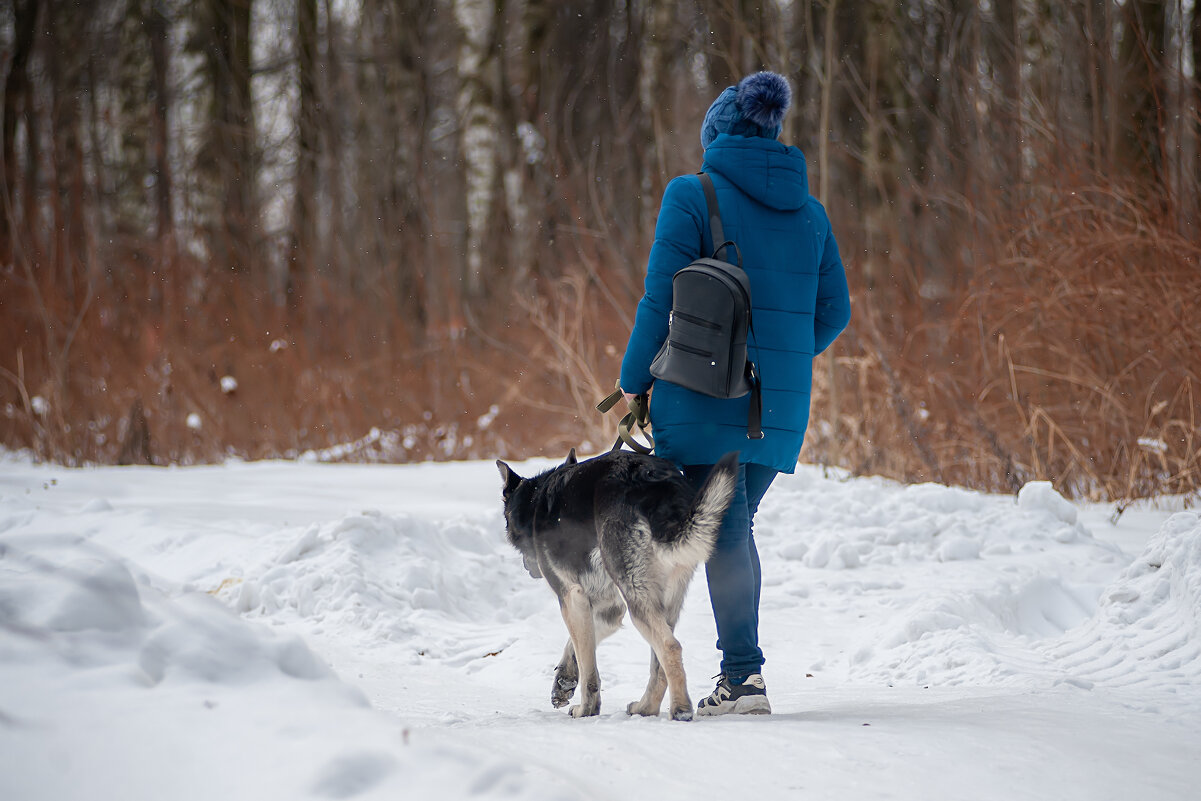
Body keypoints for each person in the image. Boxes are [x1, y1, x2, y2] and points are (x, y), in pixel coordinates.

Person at [619, 71, 852, 716]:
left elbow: (659, 299)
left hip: (702, 397)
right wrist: (784, 358)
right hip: (776, 407)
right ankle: (740, 672)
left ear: (716, 135)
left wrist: (632, 383)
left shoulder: (692, 195)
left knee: (723, 529)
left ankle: (744, 676)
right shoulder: (811, 213)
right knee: (733, 522)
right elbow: (836, 309)